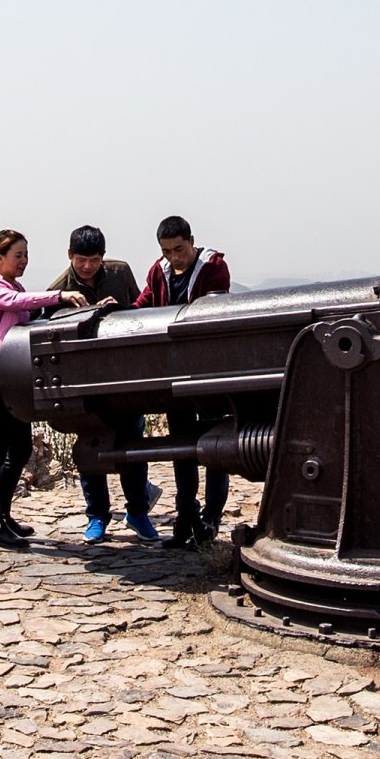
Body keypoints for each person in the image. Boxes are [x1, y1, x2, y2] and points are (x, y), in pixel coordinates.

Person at [0, 229, 85, 550]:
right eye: (17, 255)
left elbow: (31, 312)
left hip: (11, 382)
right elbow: (19, 303)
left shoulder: (13, 286)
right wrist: (58, 295)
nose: (23, 261)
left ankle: (4, 517)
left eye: (26, 255)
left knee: (20, 450)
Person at [51, 225, 161, 542]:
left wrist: (119, 311)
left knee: (134, 447)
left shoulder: (120, 272)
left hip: (123, 376)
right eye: (81, 260)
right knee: (92, 448)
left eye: (94, 260)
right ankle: (97, 516)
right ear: (70, 256)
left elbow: (141, 313)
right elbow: (52, 332)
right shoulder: (59, 288)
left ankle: (138, 513)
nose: (88, 267)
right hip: (86, 383)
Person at [139, 215, 233, 547]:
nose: (174, 258)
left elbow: (211, 311)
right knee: (183, 447)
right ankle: (186, 518)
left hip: (208, 371)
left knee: (214, 448)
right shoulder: (158, 272)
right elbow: (145, 304)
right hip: (175, 373)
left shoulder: (213, 268)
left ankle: (210, 519)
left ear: (191, 241)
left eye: (179, 249)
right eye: (167, 251)